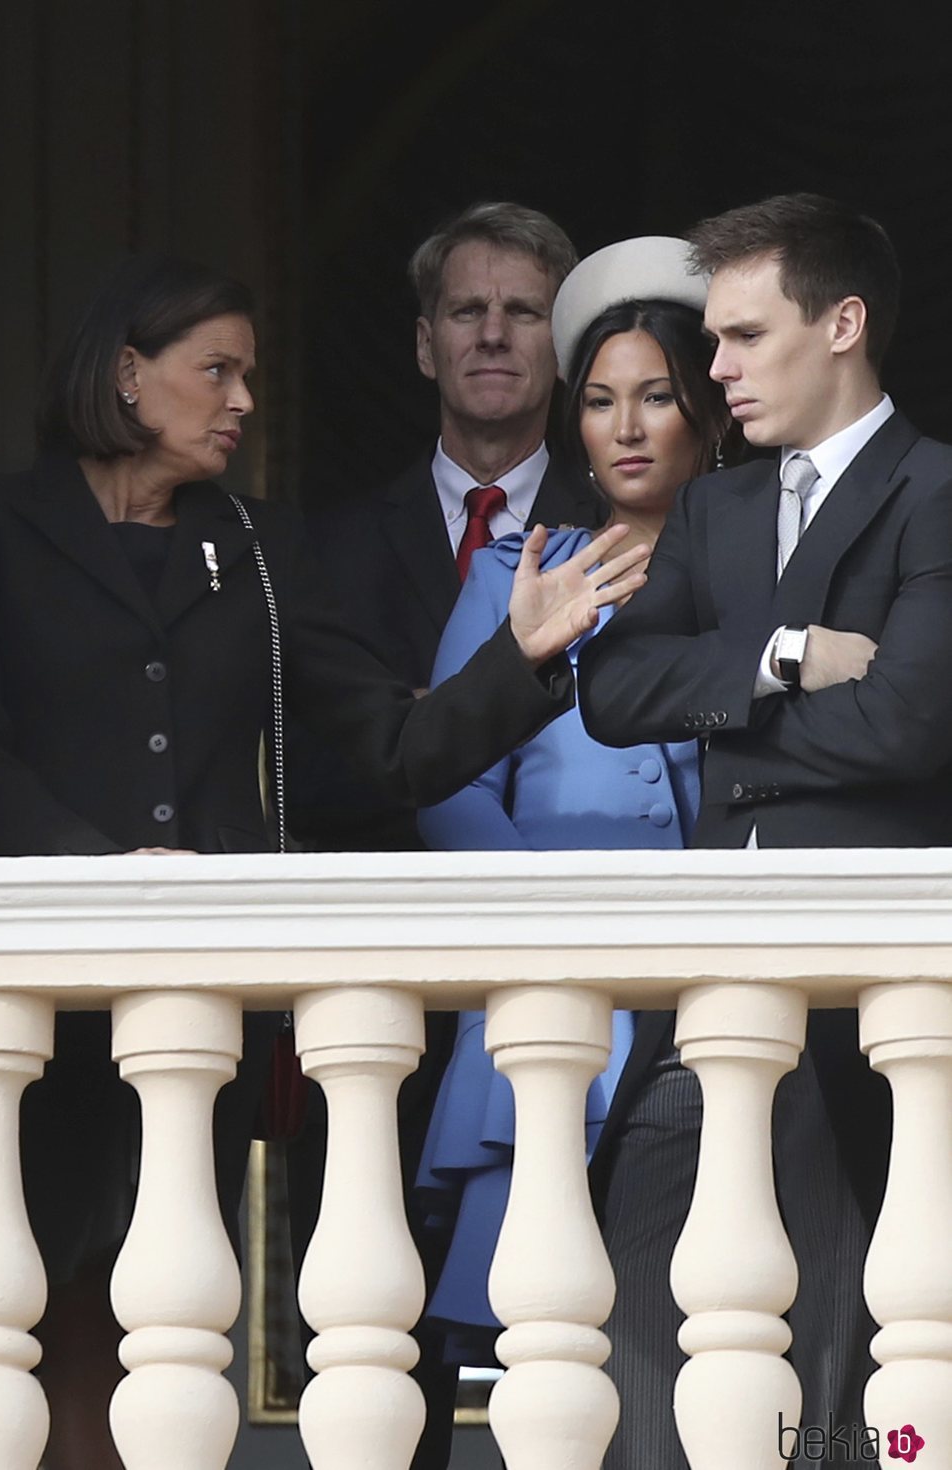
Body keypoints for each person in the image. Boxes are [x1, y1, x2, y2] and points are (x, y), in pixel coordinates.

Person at [0, 253, 648, 1470]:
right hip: (36, 994)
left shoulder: (259, 542)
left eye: (249, 374)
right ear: (128, 377)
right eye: (213, 372)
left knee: (162, 1309)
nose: (241, 401)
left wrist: (521, 656)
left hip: (205, 1010)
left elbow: (393, 742)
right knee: (30, 1304)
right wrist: (96, 868)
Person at [579, 193, 952, 1465]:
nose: (716, 370)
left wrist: (722, 728)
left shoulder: (935, 492)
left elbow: (909, 727)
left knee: (847, 1370)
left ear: (840, 323)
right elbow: (613, 692)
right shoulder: (713, 513)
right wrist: (787, 655)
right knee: (629, 1287)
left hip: (864, 1012)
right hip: (704, 998)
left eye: (741, 337)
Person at [411, 237, 733, 1455]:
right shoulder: (513, 569)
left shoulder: (754, 578)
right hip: (552, 1005)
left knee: (708, 1332)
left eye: (655, 397)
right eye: (598, 402)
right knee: (545, 1351)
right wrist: (556, 928)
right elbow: (444, 789)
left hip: (716, 998)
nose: (626, 428)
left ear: (703, 411)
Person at [292, 200, 602, 852]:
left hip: (574, 905)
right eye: (467, 311)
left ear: (567, 346)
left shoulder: (617, 532)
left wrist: (423, 711)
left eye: (523, 312)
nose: (493, 334)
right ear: (426, 347)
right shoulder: (326, 550)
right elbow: (306, 773)